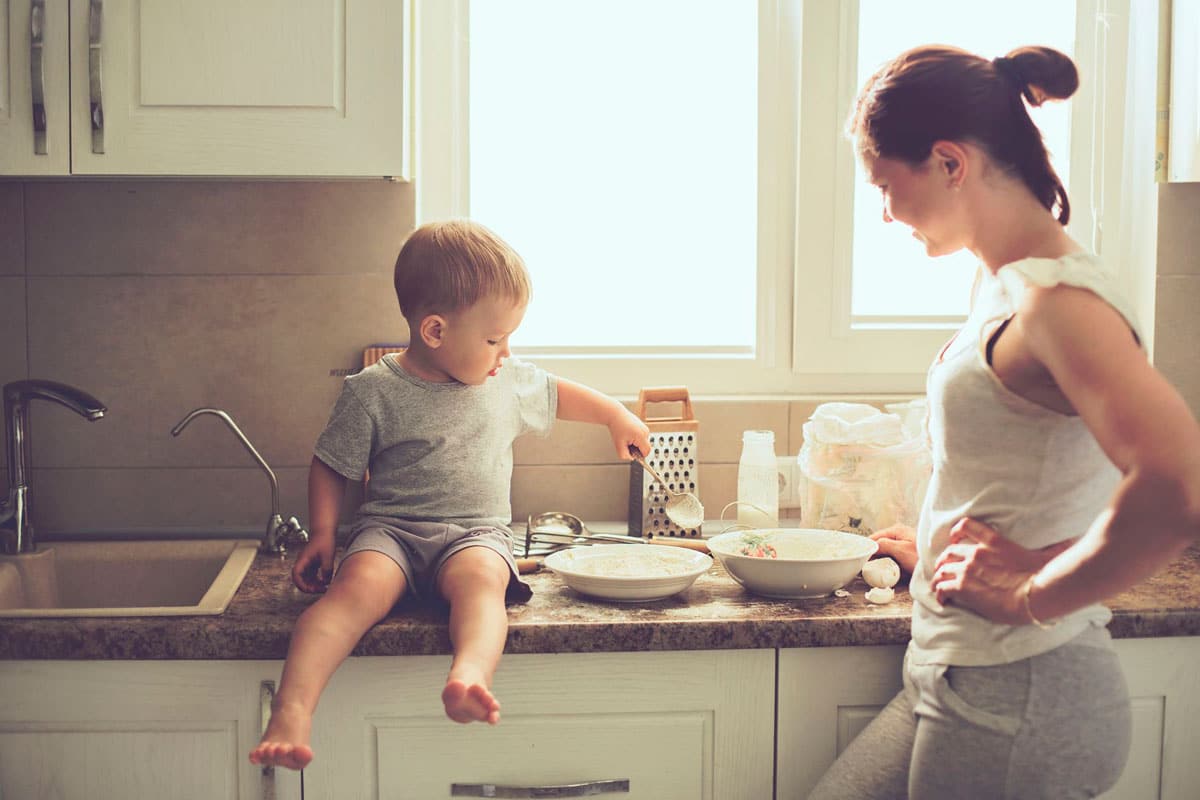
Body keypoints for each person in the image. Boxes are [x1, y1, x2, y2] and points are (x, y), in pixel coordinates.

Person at [810, 44, 1200, 799]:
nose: (886, 213)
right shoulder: (1002, 281)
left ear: (950, 163)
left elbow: (1178, 486)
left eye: (888, 187)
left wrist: (1031, 591)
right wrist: (937, 548)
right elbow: (1046, 466)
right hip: (962, 673)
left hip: (1022, 692)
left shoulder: (1058, 301)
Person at [249, 219, 652, 770]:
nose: (505, 353)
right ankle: (293, 711)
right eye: (494, 338)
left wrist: (615, 415)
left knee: (483, 585)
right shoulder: (371, 392)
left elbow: (560, 395)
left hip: (476, 533)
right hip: (390, 531)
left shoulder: (504, 379)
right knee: (346, 599)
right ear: (435, 331)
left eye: (509, 338)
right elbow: (330, 464)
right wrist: (322, 534)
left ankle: (468, 677)